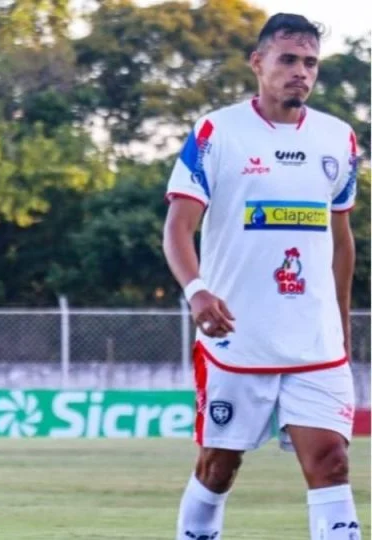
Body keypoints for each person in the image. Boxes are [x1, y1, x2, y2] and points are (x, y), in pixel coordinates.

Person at [162, 13, 360, 540]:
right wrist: (197, 291)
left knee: (331, 462)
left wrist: (339, 328)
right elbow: (178, 229)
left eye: (310, 63)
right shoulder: (215, 131)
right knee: (218, 468)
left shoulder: (339, 140)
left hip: (315, 344)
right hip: (236, 339)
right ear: (258, 62)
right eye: (288, 59)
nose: (301, 72)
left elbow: (341, 242)